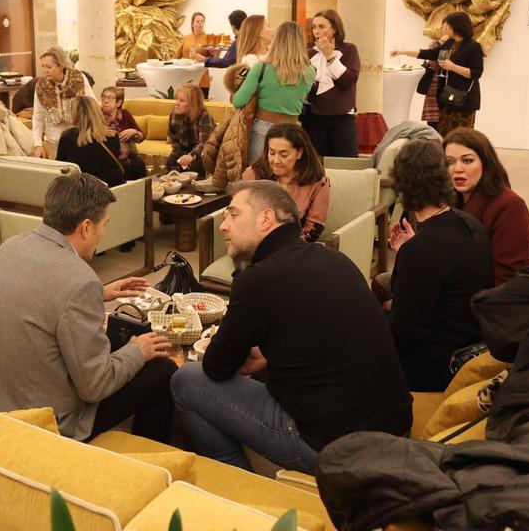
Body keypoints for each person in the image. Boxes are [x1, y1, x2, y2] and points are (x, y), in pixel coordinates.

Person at [171, 180, 412, 474]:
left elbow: (216, 367)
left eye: (232, 214)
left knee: (186, 380)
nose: (223, 226)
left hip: (333, 449)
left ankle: (235, 479)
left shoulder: (258, 279)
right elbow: (317, 336)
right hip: (394, 429)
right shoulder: (334, 259)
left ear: (266, 218)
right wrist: (268, 353)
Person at [0, 173, 177, 442]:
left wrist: (99, 293)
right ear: (86, 227)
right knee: (161, 368)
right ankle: (142, 459)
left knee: (112, 339)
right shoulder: (79, 279)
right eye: (104, 225)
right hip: (40, 422)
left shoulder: (11, 246)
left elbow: (36, 294)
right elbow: (95, 386)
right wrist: (137, 351)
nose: (102, 233)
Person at [386, 139, 493, 391]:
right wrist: (410, 251)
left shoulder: (421, 250)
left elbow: (404, 334)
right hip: (472, 345)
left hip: (435, 367)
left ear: (402, 188)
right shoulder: (470, 224)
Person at [443, 128, 529, 285]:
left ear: (485, 163)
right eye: (450, 162)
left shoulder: (510, 206)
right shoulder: (452, 200)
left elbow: (508, 278)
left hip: (489, 300)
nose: (457, 169)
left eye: (467, 161)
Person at [232, 21, 316, 164]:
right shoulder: (310, 71)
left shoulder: (262, 68)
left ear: (277, 41)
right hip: (292, 129)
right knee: (284, 178)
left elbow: (238, 101)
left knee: (257, 178)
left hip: (263, 129)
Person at [392, 11, 484, 135]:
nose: (444, 30)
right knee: (443, 136)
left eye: (447, 27)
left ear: (457, 27)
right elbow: (430, 53)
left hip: (463, 99)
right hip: (446, 97)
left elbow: (476, 73)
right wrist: (403, 52)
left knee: (461, 137)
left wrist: (453, 67)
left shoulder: (473, 46)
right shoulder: (450, 43)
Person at [243, 124, 330, 243]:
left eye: (284, 155)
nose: (276, 160)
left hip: (293, 247)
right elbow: (237, 213)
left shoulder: (318, 182)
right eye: (272, 153)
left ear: (299, 153)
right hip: (253, 243)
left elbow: (313, 229)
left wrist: (283, 247)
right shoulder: (253, 175)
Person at [302, 10, 360, 158]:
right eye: (314, 27)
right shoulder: (309, 53)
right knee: (317, 166)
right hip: (314, 119)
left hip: (342, 118)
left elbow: (347, 80)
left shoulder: (349, 50)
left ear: (334, 29)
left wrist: (329, 55)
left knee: (346, 166)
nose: (316, 31)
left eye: (322, 26)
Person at [32, 46, 96, 159]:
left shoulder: (78, 78)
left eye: (49, 66)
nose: (45, 70)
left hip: (79, 140)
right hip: (53, 142)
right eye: (43, 66)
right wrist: (38, 144)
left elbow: (92, 106)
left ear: (61, 65)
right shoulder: (41, 85)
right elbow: (37, 116)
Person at [56, 97, 125, 188]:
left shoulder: (67, 137)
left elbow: (61, 168)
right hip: (111, 189)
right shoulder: (112, 135)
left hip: (82, 192)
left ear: (74, 114)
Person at [99, 87, 148, 180]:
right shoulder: (97, 115)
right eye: (103, 97)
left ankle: (142, 192)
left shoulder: (125, 115)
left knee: (139, 164)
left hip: (129, 154)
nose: (105, 101)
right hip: (108, 156)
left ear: (118, 103)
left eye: (109, 98)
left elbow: (141, 138)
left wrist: (134, 132)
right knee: (123, 167)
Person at [168, 83, 215, 176]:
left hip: (203, 152)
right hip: (183, 150)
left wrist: (191, 156)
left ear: (193, 104)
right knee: (171, 162)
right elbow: (173, 139)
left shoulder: (205, 116)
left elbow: (204, 143)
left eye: (182, 100)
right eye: (176, 99)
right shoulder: (175, 114)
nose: (176, 103)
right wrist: (181, 156)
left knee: (196, 166)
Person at [177, 12, 212, 94]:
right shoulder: (185, 38)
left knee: (200, 106)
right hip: (185, 79)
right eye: (197, 21)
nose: (200, 23)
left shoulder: (208, 38)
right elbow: (176, 56)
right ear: (192, 24)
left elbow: (213, 59)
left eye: (202, 21)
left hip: (202, 80)